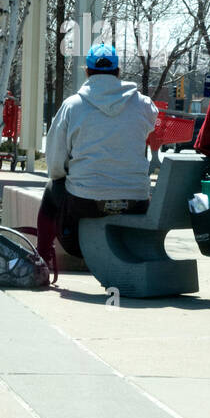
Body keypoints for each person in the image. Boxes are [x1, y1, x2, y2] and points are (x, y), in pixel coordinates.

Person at [35, 43, 158, 283]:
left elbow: (55, 163)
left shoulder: (73, 105)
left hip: (85, 203)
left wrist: (66, 173)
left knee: (52, 191)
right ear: (118, 71)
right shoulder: (142, 104)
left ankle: (42, 258)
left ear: (87, 72)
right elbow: (152, 120)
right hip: (135, 202)